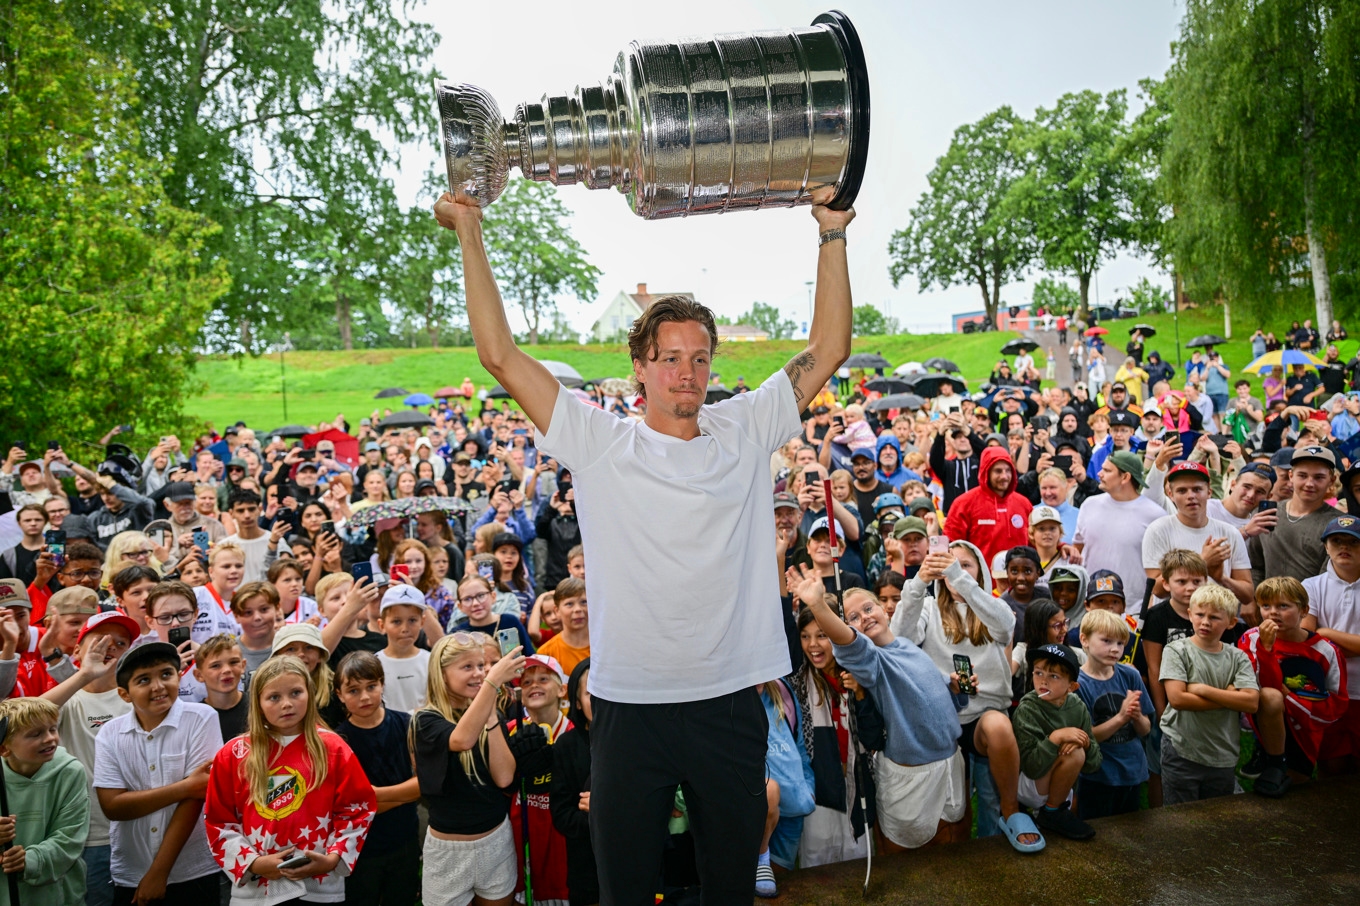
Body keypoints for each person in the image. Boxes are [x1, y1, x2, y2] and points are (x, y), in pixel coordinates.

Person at [793, 570, 985, 852]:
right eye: (854, 618)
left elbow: (929, 694)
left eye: (868, 608)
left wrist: (953, 689)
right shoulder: (871, 661)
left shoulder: (908, 645)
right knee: (904, 858)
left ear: (883, 610)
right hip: (910, 775)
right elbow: (850, 645)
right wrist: (819, 605)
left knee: (953, 837)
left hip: (949, 762)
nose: (865, 617)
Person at [895, 540, 1035, 848]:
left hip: (985, 719)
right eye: (949, 564)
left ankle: (1010, 814)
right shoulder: (929, 608)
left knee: (990, 795)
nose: (954, 569)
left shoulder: (994, 607)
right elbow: (899, 639)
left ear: (980, 571)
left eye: (965, 564)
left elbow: (1005, 625)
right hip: (942, 717)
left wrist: (959, 577)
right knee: (954, 806)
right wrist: (919, 581)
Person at [203, 655, 376, 902]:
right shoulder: (234, 754)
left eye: (295, 693)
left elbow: (356, 809)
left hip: (320, 887)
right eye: (274, 697)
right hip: (255, 892)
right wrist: (253, 863)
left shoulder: (334, 748)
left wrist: (332, 859)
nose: (287, 704)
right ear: (258, 702)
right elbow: (219, 820)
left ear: (309, 693)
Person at [93, 641, 223, 905]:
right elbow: (113, 806)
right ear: (124, 694)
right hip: (131, 871)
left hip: (194, 870)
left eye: (166, 674)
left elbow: (197, 799)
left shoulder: (201, 717)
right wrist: (185, 787)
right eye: (143, 680)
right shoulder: (109, 733)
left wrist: (158, 872)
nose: (158, 686)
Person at [412, 633, 525, 906]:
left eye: (481, 666)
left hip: (496, 841)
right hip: (449, 851)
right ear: (441, 674)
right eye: (467, 667)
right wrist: (492, 683)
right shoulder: (425, 720)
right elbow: (461, 740)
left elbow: (505, 777)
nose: (478, 674)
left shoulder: (488, 711)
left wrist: (489, 715)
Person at [1238, 576, 1348, 798]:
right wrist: (1266, 649)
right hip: (1264, 719)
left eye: (1283, 606)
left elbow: (1336, 703)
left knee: (1296, 788)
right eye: (1266, 606)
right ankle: (1273, 760)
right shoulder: (1251, 639)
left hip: (1306, 724)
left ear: (1304, 610)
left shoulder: (1325, 650)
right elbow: (1261, 687)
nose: (1273, 613)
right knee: (1270, 696)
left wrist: (1291, 699)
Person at [333, 651, 422, 906]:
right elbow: (350, 805)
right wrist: (406, 794)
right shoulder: (339, 741)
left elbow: (425, 784)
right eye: (353, 690)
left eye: (371, 686)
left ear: (382, 684)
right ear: (339, 694)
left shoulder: (406, 724)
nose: (364, 697)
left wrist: (372, 798)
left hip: (404, 841)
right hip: (361, 849)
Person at [1158, 584, 1260, 804]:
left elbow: (1251, 702)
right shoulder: (1176, 650)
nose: (1205, 622)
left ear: (1231, 622)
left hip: (1222, 754)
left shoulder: (1237, 657)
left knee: (1217, 818)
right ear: (1189, 614)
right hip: (1182, 749)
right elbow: (1177, 699)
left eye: (1214, 617)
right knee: (1180, 819)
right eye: (1200, 614)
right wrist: (1230, 698)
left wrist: (1203, 690)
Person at [0, 697, 91, 906]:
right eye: (35, 734)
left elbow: (70, 837)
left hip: (59, 895)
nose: (50, 739)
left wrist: (29, 861)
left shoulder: (70, 771)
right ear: (4, 749)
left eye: (52, 729)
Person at [1011, 643, 1102, 840]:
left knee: (1077, 751)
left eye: (1053, 676)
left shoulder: (1077, 707)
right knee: (1073, 752)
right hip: (1030, 785)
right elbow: (1031, 767)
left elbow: (1094, 764)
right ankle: (1052, 814)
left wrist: (1084, 742)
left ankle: (1052, 812)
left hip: (1063, 788)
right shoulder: (1028, 709)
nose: (1043, 681)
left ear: (1072, 687)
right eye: (1038, 673)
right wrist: (1056, 738)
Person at [1142, 461, 1254, 610]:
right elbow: (1157, 589)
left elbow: (1247, 595)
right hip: (1172, 623)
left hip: (1217, 621)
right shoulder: (1158, 530)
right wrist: (1201, 563)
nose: (1191, 496)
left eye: (1197, 489)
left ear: (1209, 492)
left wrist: (1222, 579)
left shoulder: (1230, 533)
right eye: (1182, 491)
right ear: (1171, 495)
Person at [1075, 609, 1154, 819]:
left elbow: (1146, 729)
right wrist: (1121, 717)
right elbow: (1087, 737)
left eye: (1120, 643)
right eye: (1107, 641)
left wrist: (1136, 716)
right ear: (1084, 639)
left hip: (1132, 771)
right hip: (1097, 776)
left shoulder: (1130, 675)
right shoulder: (1078, 684)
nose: (1115, 649)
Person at [1301, 516, 1360, 775]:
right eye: (1336, 541)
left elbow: (1316, 636)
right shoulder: (1311, 586)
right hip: (1329, 691)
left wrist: (1324, 633)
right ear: (1326, 547)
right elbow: (1305, 638)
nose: (1344, 547)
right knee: (1331, 769)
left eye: (1353, 542)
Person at [1248, 445, 1338, 587]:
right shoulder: (1266, 514)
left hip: (1311, 607)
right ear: (1291, 476)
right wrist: (1252, 601)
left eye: (1318, 477)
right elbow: (1254, 565)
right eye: (1302, 475)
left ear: (1331, 480)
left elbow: (1330, 580)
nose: (1309, 483)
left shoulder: (1337, 523)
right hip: (1267, 604)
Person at [550, 658, 598, 906]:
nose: (601, 699)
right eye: (591, 693)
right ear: (577, 703)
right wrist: (595, 815)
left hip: (637, 864)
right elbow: (562, 815)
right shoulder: (567, 746)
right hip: (587, 870)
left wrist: (610, 806)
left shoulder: (637, 743)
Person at [943, 446, 1032, 568]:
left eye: (1008, 470)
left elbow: (1038, 541)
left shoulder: (1023, 504)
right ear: (986, 471)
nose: (1004, 476)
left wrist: (1060, 547)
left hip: (1018, 582)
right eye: (998, 471)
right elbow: (951, 545)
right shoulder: (964, 503)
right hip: (979, 584)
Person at [376, 584, 432, 714]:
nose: (405, 628)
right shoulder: (375, 664)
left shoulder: (430, 661)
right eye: (396, 621)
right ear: (382, 625)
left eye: (412, 620)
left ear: (422, 622)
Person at [192, 634, 248, 741]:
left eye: (233, 662)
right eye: (216, 666)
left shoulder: (258, 707)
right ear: (199, 675)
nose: (226, 670)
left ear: (243, 666)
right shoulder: (196, 718)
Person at [535, 577, 589, 678]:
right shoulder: (546, 654)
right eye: (569, 604)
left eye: (583, 602)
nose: (577, 609)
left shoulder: (603, 646)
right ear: (557, 610)